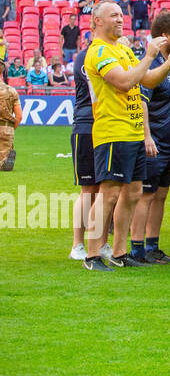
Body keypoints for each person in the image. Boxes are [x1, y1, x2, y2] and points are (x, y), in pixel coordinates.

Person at [82, 2, 170, 271]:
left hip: (131, 131)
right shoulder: (98, 52)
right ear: (97, 21)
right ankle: (92, 255)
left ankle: (119, 253)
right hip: (112, 131)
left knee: (132, 193)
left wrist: (169, 63)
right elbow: (124, 81)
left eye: (122, 15)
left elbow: (148, 80)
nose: (121, 19)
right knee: (108, 194)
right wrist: (148, 55)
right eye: (114, 15)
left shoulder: (122, 48)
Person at [131, 12, 170, 264]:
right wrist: (147, 137)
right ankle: (136, 249)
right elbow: (142, 102)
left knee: (160, 195)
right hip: (152, 143)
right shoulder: (152, 63)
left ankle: (152, 247)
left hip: (168, 144)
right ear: (166, 36)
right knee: (145, 195)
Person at [68, 45, 97, 261]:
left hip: (110, 126)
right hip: (87, 125)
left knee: (107, 189)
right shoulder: (86, 56)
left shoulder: (114, 52)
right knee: (88, 189)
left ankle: (100, 242)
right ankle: (77, 244)